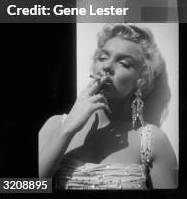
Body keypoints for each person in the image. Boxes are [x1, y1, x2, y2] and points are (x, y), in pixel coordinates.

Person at [39, 24, 178, 189]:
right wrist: (67, 130)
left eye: (124, 63)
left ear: (140, 80)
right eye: (102, 58)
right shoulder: (56, 125)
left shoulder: (152, 141)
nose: (106, 67)